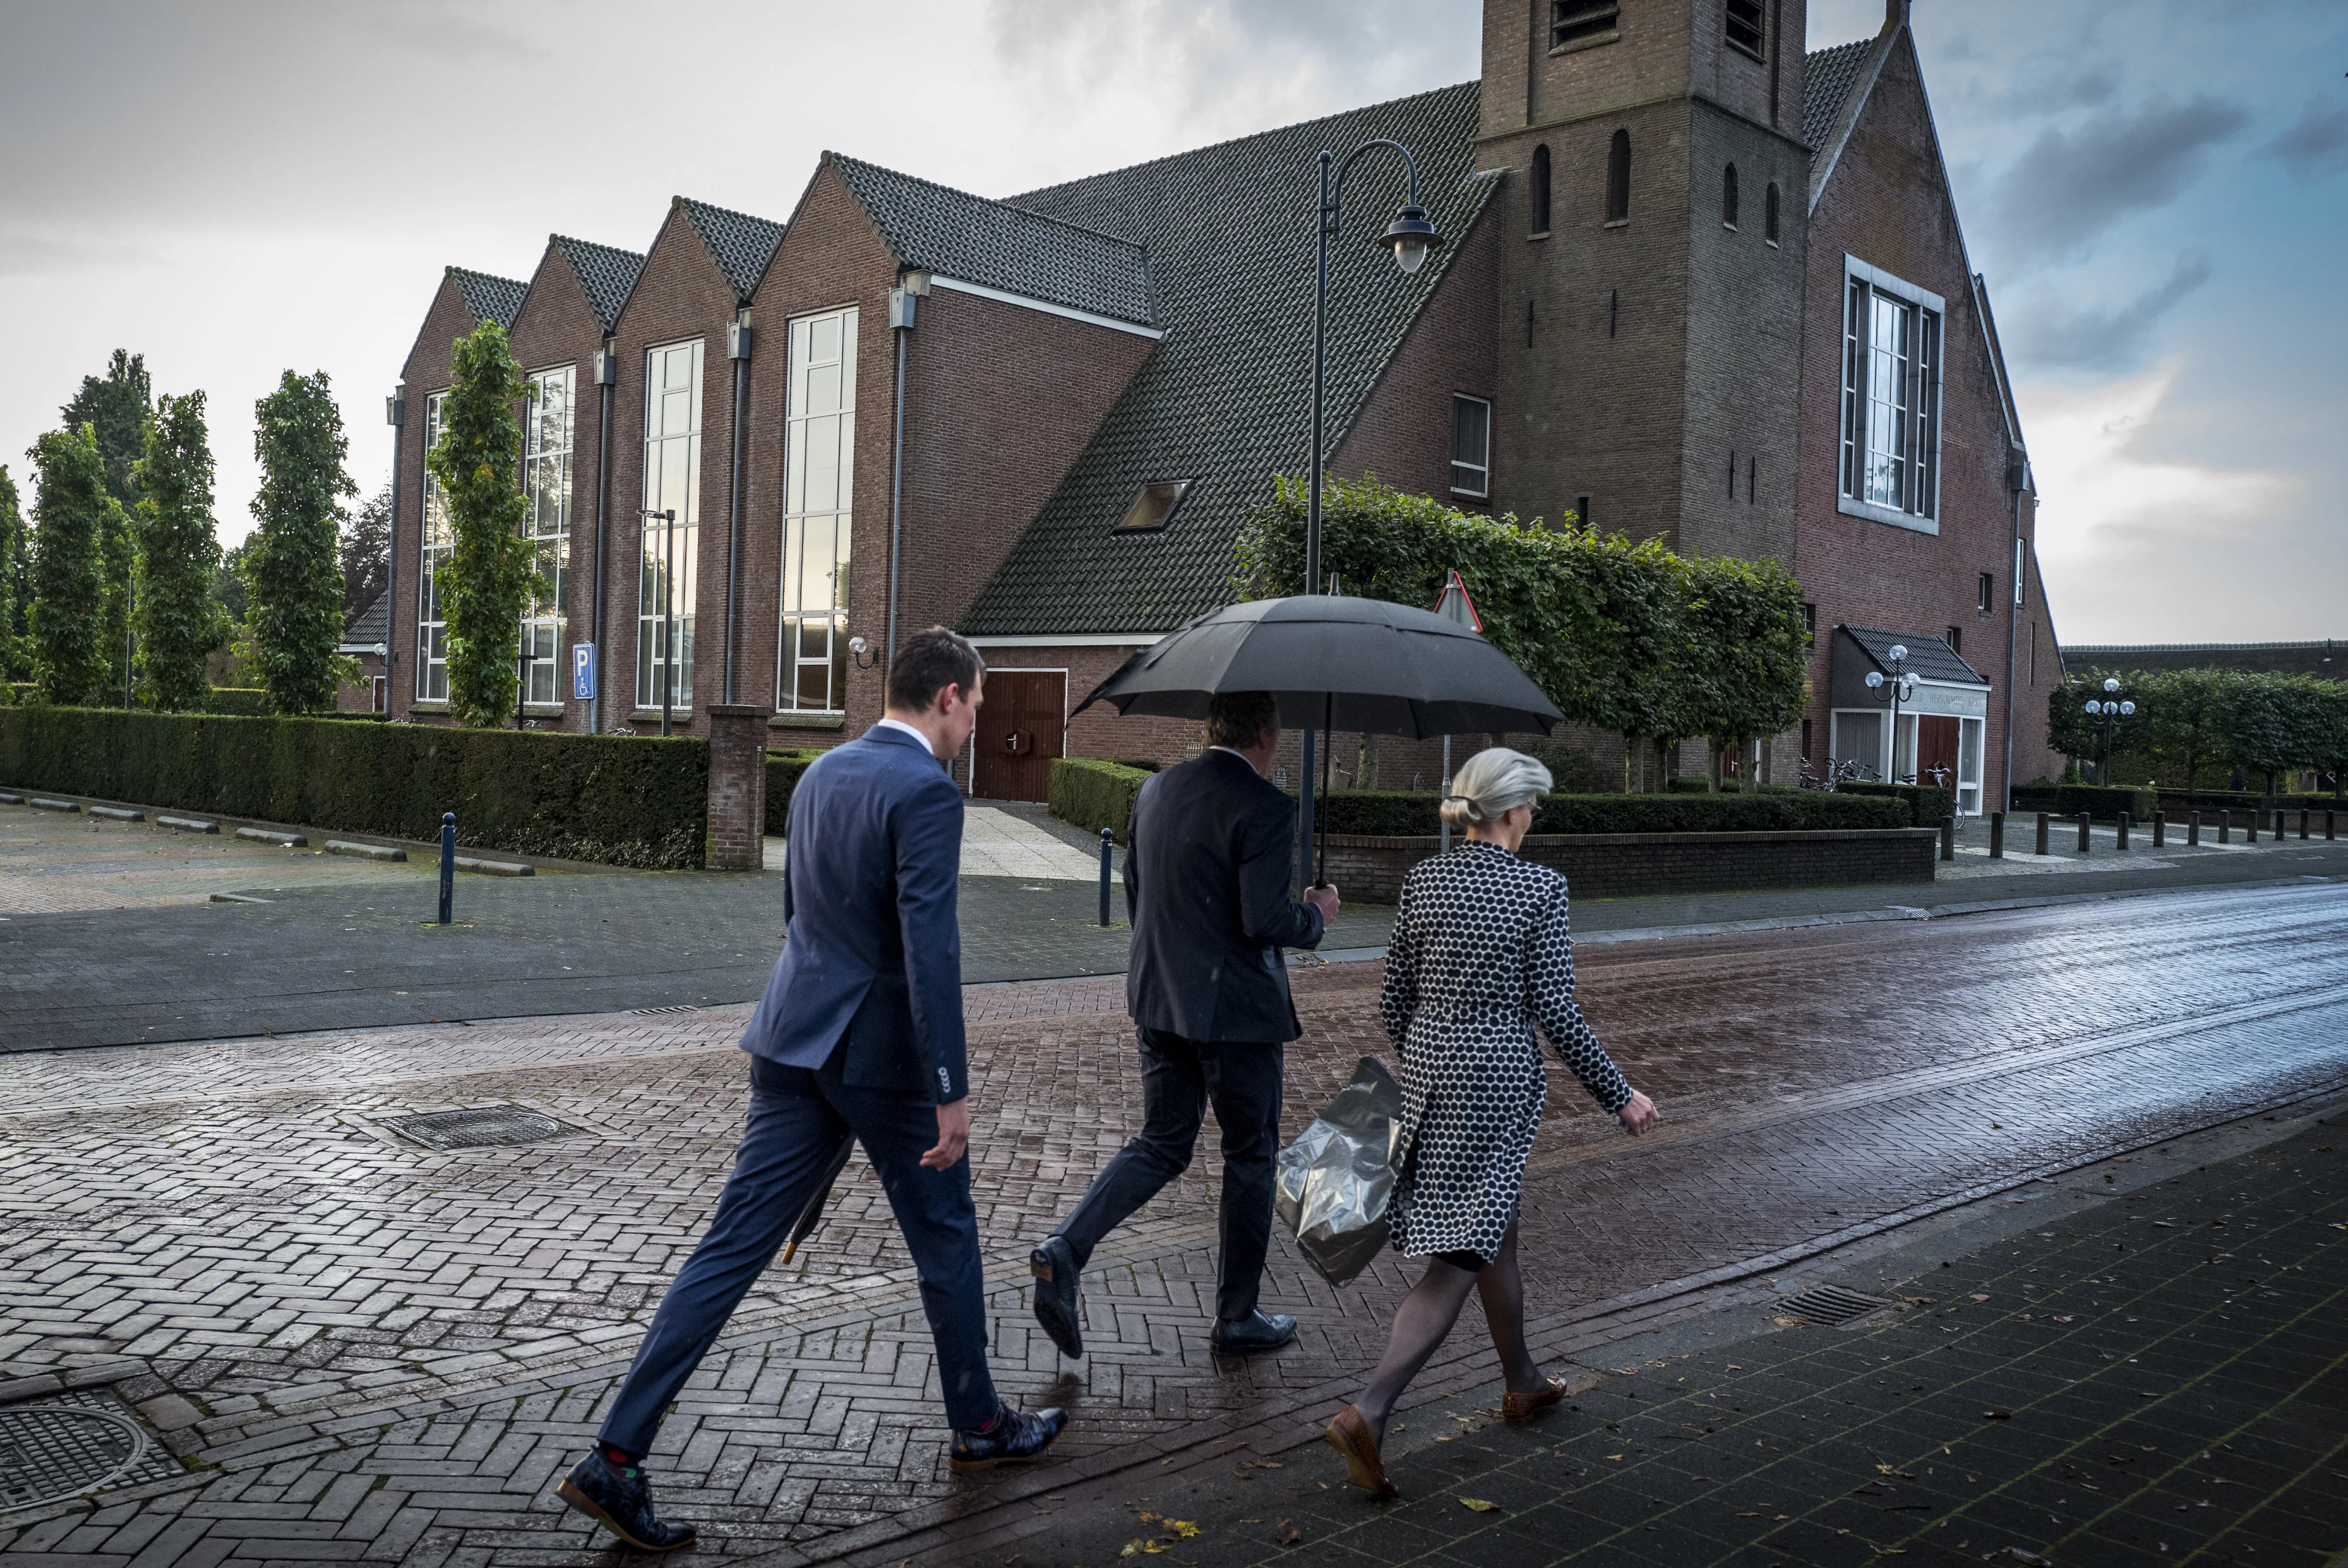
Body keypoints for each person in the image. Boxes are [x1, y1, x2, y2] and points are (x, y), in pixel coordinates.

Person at [556, 627, 1066, 1553]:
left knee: (728, 1250)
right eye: (978, 705)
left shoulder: (822, 773)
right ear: (947, 697)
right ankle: (982, 1425)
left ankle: (616, 1456)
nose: (976, 723)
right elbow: (931, 951)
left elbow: (797, 914)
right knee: (947, 1237)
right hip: (880, 1058)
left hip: (791, 1037)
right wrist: (950, 1088)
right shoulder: (927, 790)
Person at [1324, 745, 1659, 1499]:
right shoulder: (1540, 888)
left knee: (1491, 1230)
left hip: (1429, 1074)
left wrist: (1431, 1054)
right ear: (1510, 809)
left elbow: (1394, 999)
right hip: (1496, 1085)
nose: (1534, 815)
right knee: (1459, 1254)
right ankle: (1369, 1409)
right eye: (1531, 803)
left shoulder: (1424, 878)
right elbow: (1555, 1010)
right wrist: (1620, 1094)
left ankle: (1522, 1380)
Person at [1028, 690, 1341, 1358]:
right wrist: (1317, 915)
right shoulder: (1266, 806)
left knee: (1163, 1142)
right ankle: (1237, 1316)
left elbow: (1136, 890)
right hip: (1237, 1017)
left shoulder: (1155, 791)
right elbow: (1264, 920)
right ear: (1267, 734)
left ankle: (1065, 1248)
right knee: (1250, 1156)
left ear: (1210, 727)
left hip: (1159, 998)